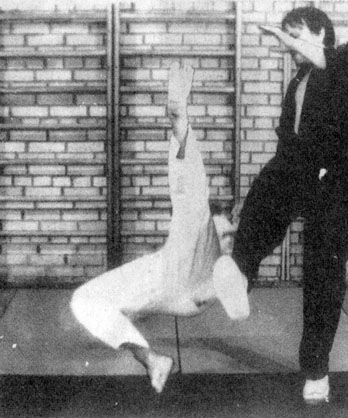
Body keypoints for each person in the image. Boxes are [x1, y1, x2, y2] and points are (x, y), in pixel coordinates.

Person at [70, 63, 250, 394]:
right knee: (85, 301)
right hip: (169, 276)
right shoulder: (198, 218)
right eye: (228, 232)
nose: (229, 238)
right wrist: (178, 111)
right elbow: (188, 168)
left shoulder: (233, 237)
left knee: (228, 260)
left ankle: (225, 283)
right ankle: (152, 359)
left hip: (194, 284)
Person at [231, 7, 348, 404]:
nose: (288, 46)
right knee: (262, 199)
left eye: (295, 36)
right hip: (303, 170)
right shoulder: (299, 79)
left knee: (322, 275)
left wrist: (282, 35)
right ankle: (240, 275)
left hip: (343, 184)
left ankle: (316, 371)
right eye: (286, 37)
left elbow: (332, 63)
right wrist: (255, 199)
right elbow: (288, 145)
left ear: (320, 32)